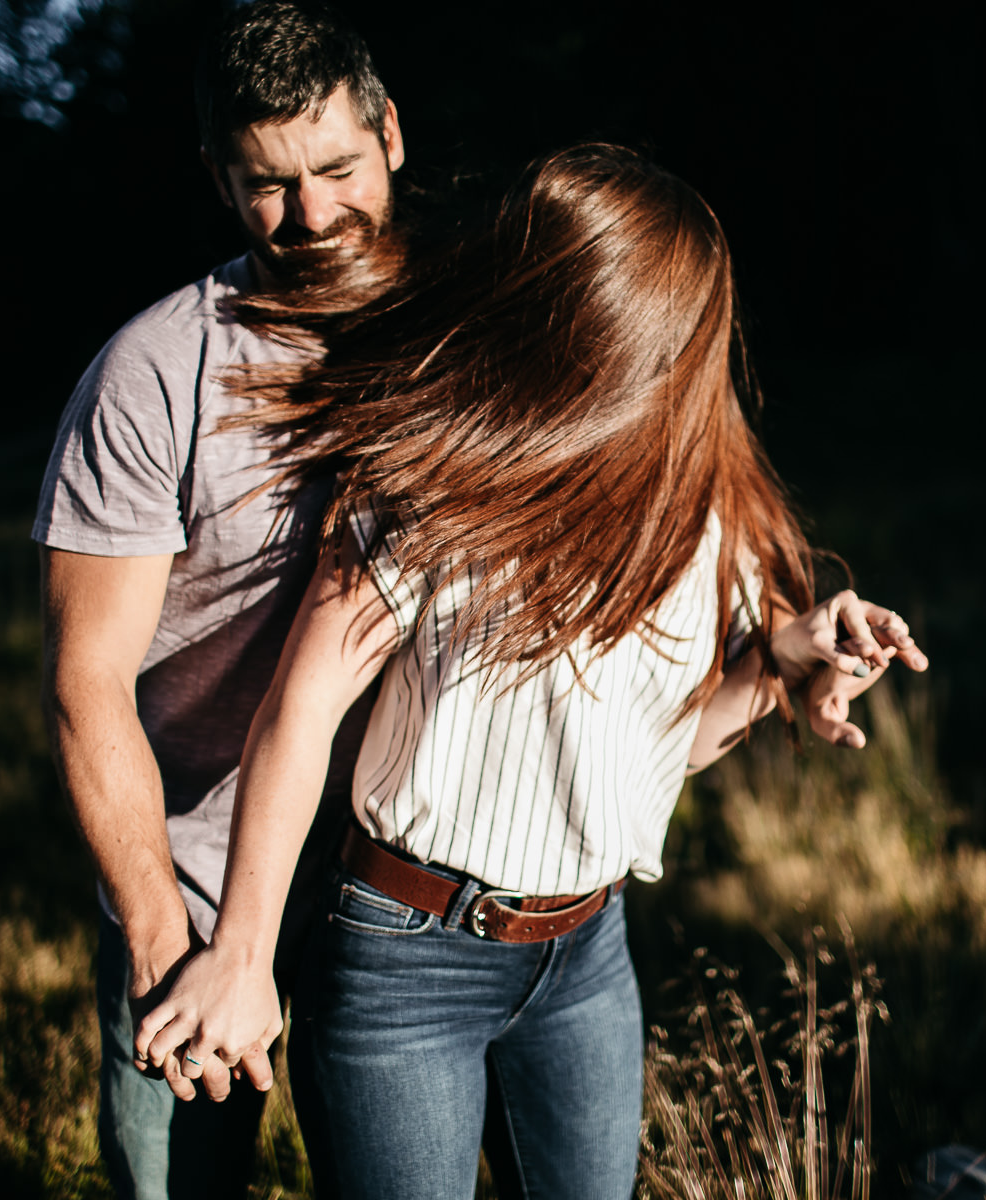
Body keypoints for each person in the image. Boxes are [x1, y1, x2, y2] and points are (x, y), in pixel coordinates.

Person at [132, 144, 929, 1200]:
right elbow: (300, 711)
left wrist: (780, 659)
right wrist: (241, 953)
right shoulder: (430, 483)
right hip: (403, 956)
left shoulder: (708, 506)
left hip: (587, 954)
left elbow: (658, 753)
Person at [33, 3, 404, 1196]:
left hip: (405, 889)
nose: (308, 215)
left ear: (391, 134)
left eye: (335, 168)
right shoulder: (152, 373)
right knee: (176, 1187)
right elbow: (86, 682)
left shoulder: (466, 335)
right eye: (264, 186)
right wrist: (159, 940)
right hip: (189, 879)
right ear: (216, 177)